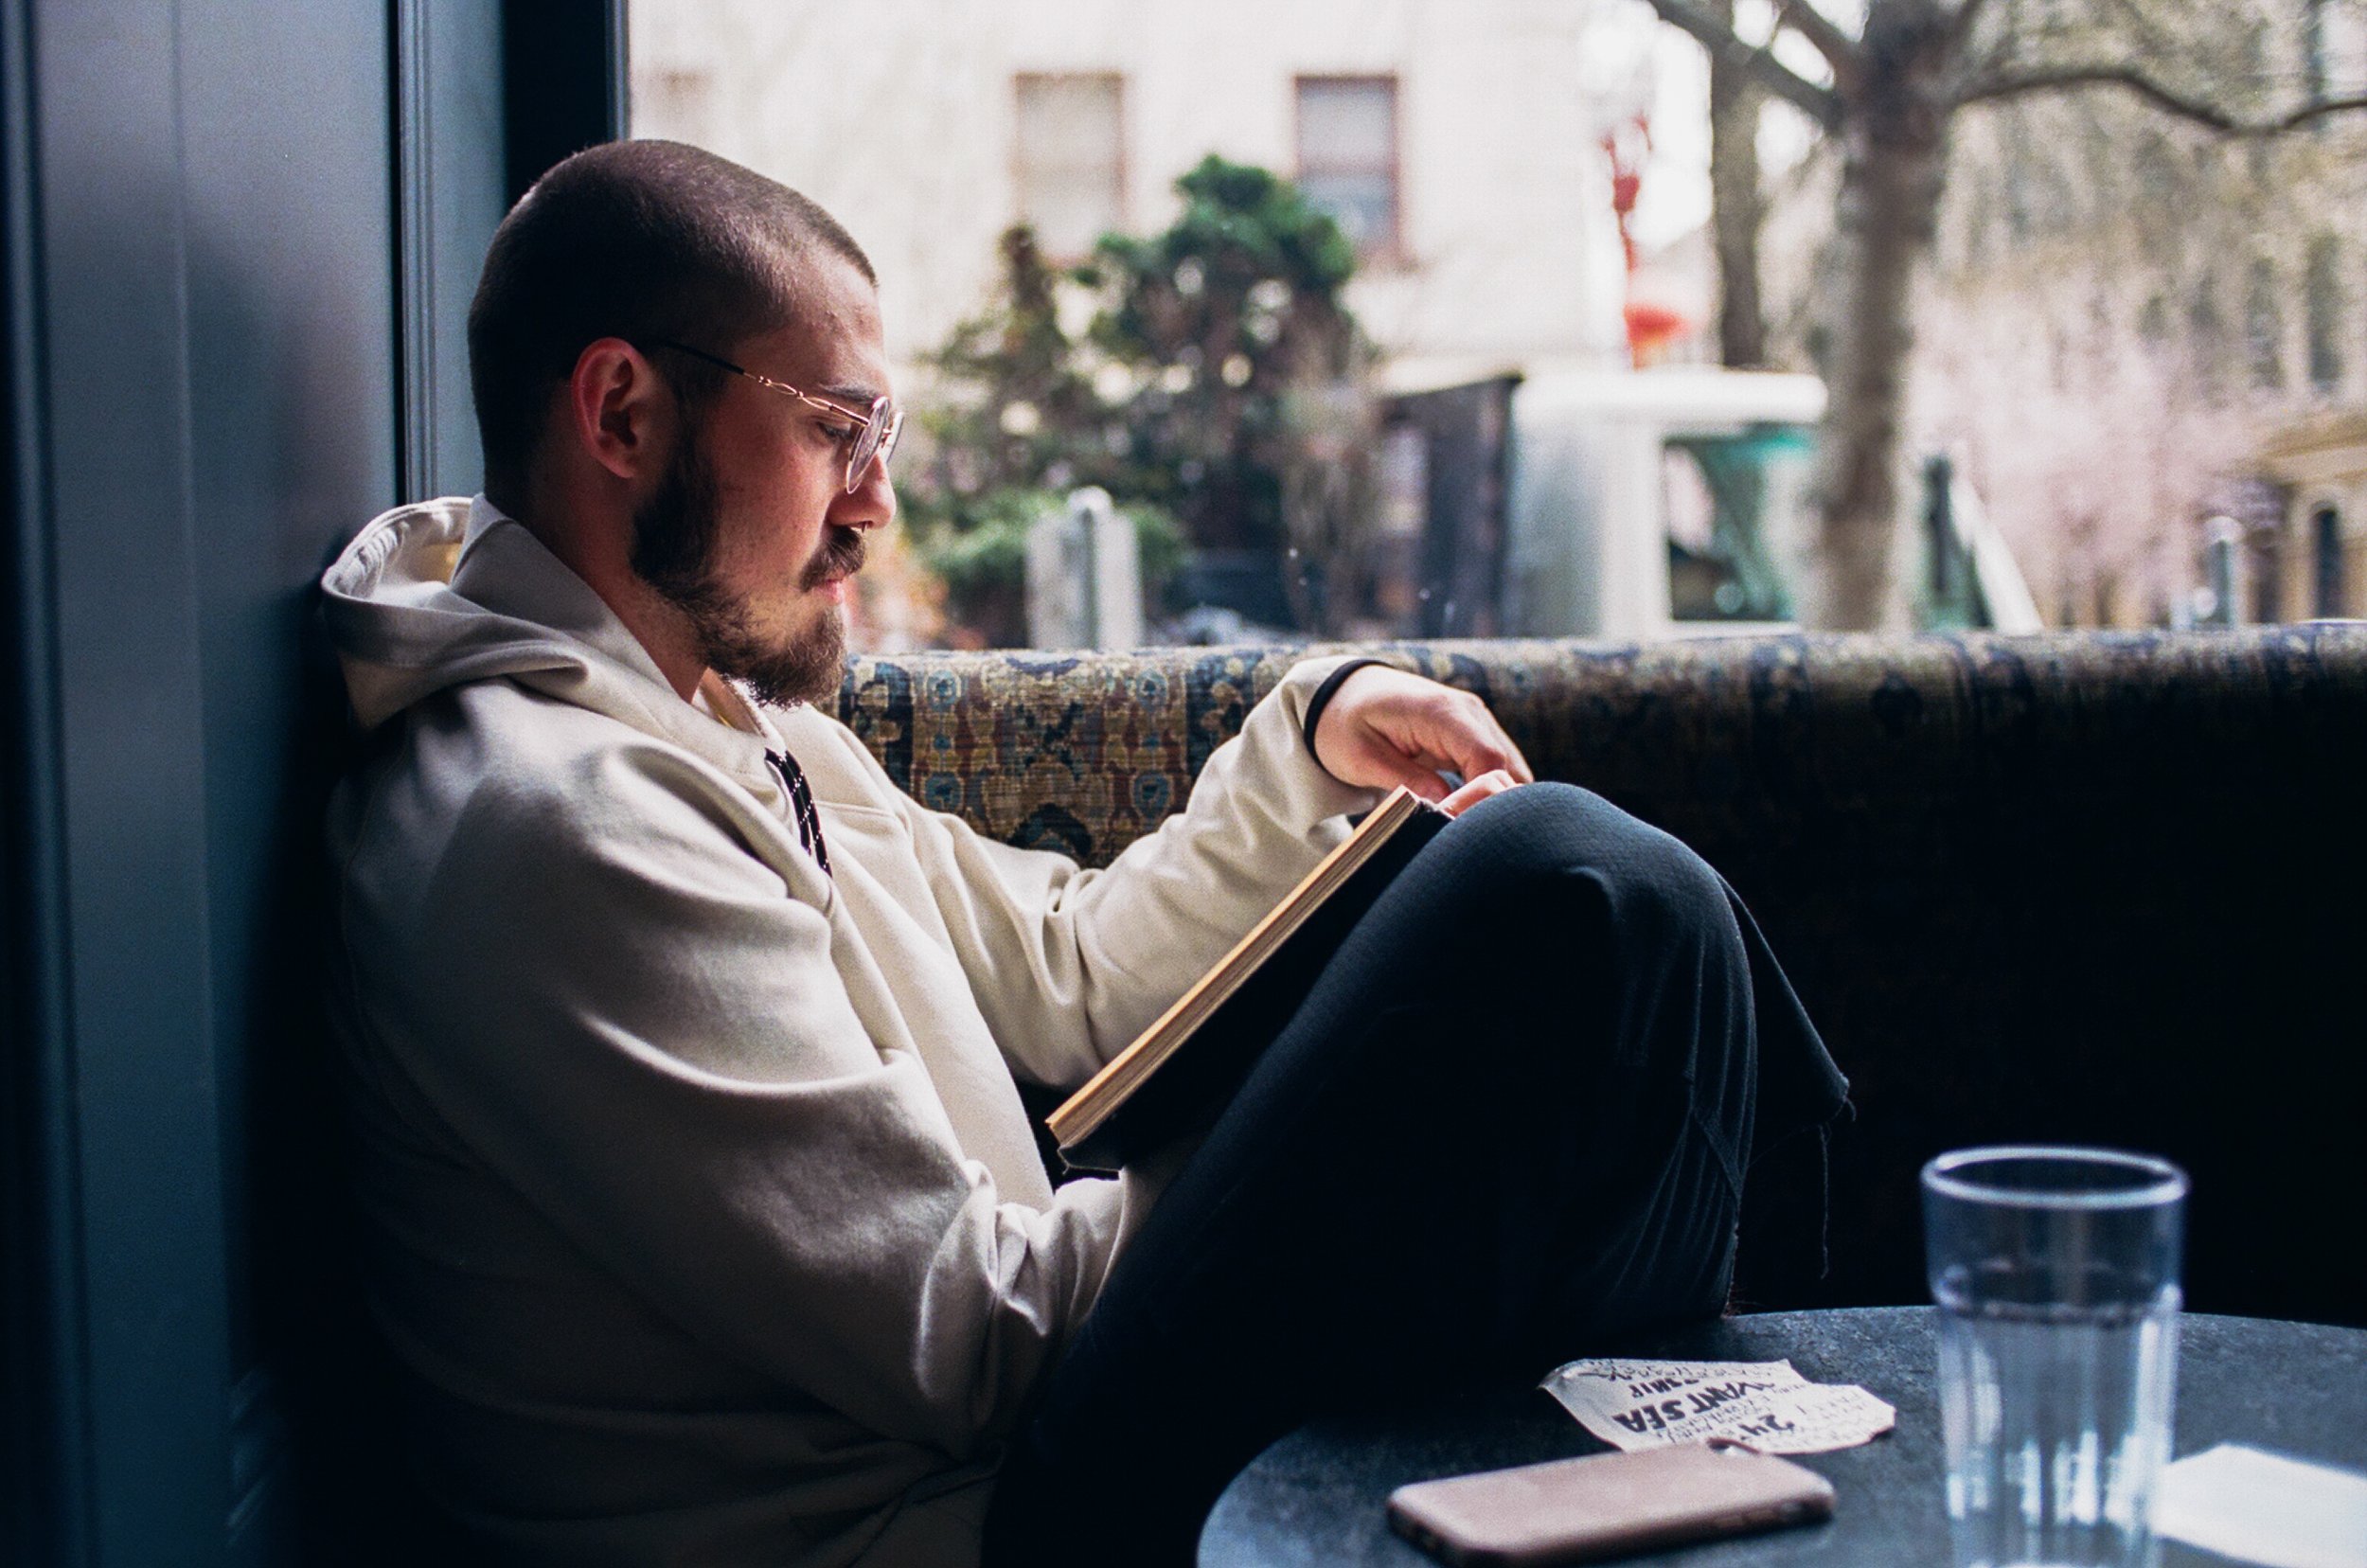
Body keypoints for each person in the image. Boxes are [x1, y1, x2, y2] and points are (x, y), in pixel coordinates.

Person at [319, 139, 1847, 1568]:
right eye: (838, 430)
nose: (879, 503)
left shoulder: (729, 718)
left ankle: (1725, 1430)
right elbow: (969, 1334)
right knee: (1559, 890)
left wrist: (1307, 739)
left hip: (1018, 1431)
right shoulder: (551, 826)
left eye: (884, 436)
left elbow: (1063, 974)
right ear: (623, 413)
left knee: (1580, 910)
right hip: (965, 1521)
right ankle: (1781, 1409)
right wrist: (1362, 1119)